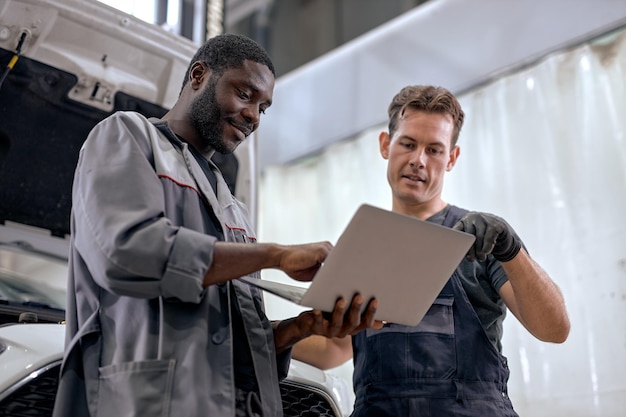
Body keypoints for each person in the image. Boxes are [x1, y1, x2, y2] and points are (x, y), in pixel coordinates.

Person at [52, 33, 378, 417]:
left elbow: (234, 348)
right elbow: (127, 252)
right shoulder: (128, 135)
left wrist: (297, 329)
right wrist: (275, 254)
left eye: (263, 107)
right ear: (199, 75)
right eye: (244, 94)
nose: (254, 116)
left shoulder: (232, 207)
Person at [292, 85, 571, 416]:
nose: (417, 161)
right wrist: (258, 336)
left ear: (452, 158)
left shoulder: (481, 240)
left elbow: (554, 329)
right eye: (408, 144)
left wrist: (512, 251)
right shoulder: (363, 245)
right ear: (386, 145)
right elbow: (335, 347)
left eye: (435, 150)